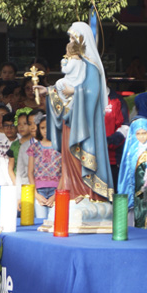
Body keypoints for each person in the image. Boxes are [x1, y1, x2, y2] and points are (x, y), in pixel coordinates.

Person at [42, 22, 114, 201]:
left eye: (73, 38)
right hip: (71, 119)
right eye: (70, 38)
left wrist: (75, 91)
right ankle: (71, 192)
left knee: (79, 157)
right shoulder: (76, 63)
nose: (71, 42)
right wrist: (48, 91)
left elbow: (92, 92)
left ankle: (86, 193)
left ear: (83, 40)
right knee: (68, 157)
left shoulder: (91, 67)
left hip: (85, 125)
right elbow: (65, 83)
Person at [27, 114, 62, 219]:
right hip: (39, 191)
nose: (46, 130)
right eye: (42, 128)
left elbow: (65, 173)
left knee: (55, 222)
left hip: (57, 189)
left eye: (49, 127)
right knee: (41, 221)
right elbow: (30, 172)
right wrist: (36, 194)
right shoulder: (34, 147)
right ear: (38, 129)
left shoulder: (60, 147)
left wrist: (56, 194)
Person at [117, 118, 147, 213]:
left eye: (144, 133)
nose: (141, 137)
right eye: (138, 134)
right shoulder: (130, 150)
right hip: (134, 183)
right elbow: (126, 170)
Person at [8, 108, 34, 187]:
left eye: (25, 124)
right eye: (19, 124)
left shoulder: (36, 144)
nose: (21, 127)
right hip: (19, 182)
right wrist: (15, 183)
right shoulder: (14, 145)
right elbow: (10, 168)